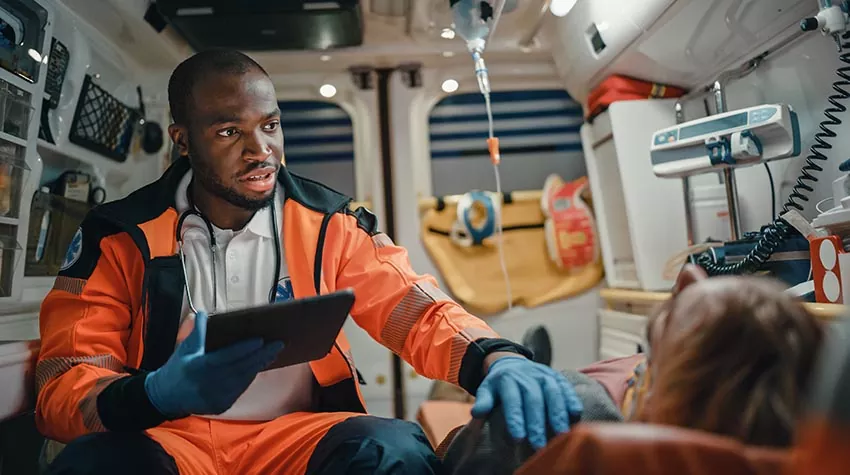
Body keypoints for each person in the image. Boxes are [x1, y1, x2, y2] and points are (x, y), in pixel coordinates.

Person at [34, 49, 582, 475]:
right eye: (229, 132)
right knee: (93, 466)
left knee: (394, 452)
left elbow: (416, 311)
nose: (261, 150)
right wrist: (151, 395)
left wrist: (496, 358)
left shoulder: (331, 222)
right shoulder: (118, 234)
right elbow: (64, 380)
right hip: (167, 436)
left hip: (292, 434)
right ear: (182, 140)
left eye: (270, 126)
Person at [440, 264, 824, 473]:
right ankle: (532, 360)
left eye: (652, 359)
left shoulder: (579, 428)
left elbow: (462, 458)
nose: (688, 278)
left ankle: (516, 368)